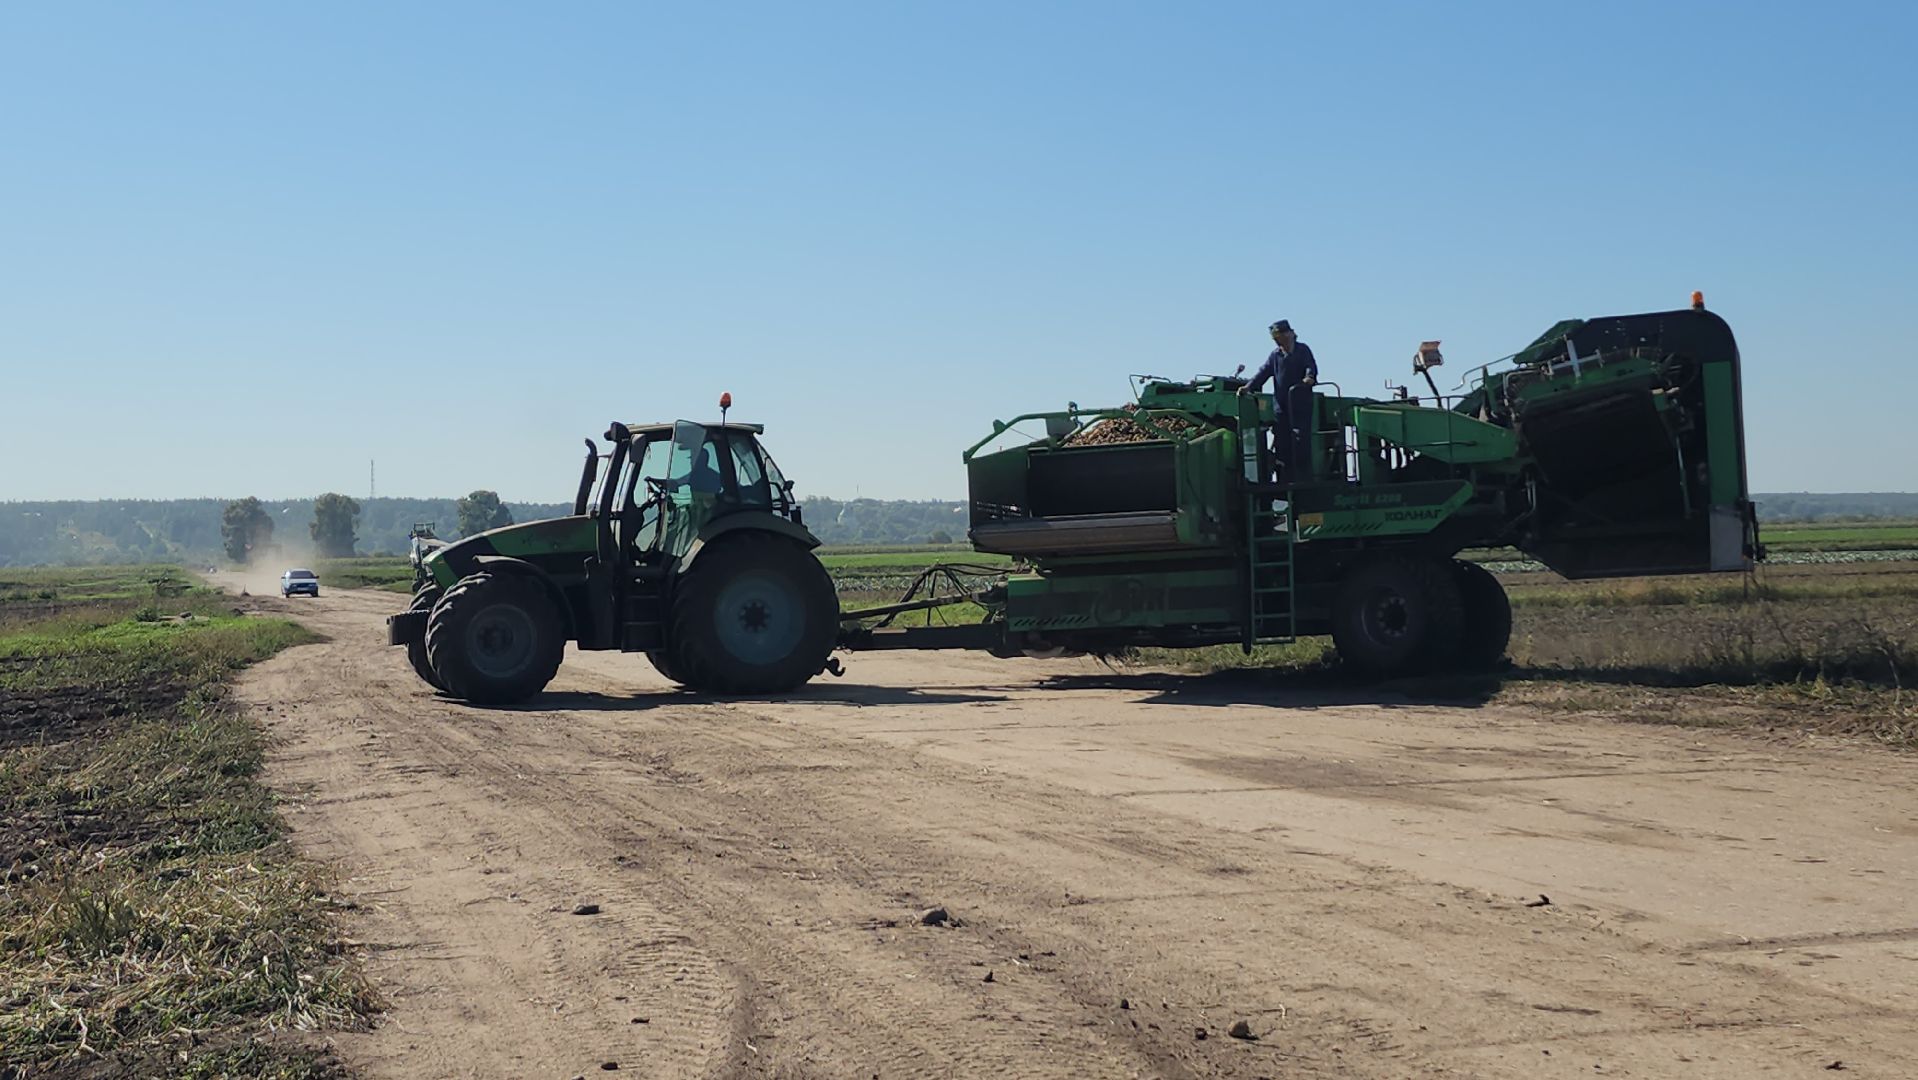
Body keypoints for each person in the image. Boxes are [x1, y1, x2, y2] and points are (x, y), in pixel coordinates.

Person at [1239, 319, 1318, 474]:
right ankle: (1284, 474)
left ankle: (1302, 474)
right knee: (1282, 441)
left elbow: (1311, 366)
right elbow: (1263, 372)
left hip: (1300, 404)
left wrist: (1309, 378)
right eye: (1274, 339)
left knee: (1300, 439)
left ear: (1289, 334)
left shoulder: (1303, 350)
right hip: (1281, 406)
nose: (1277, 341)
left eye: (1279, 337)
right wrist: (1248, 387)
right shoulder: (1275, 356)